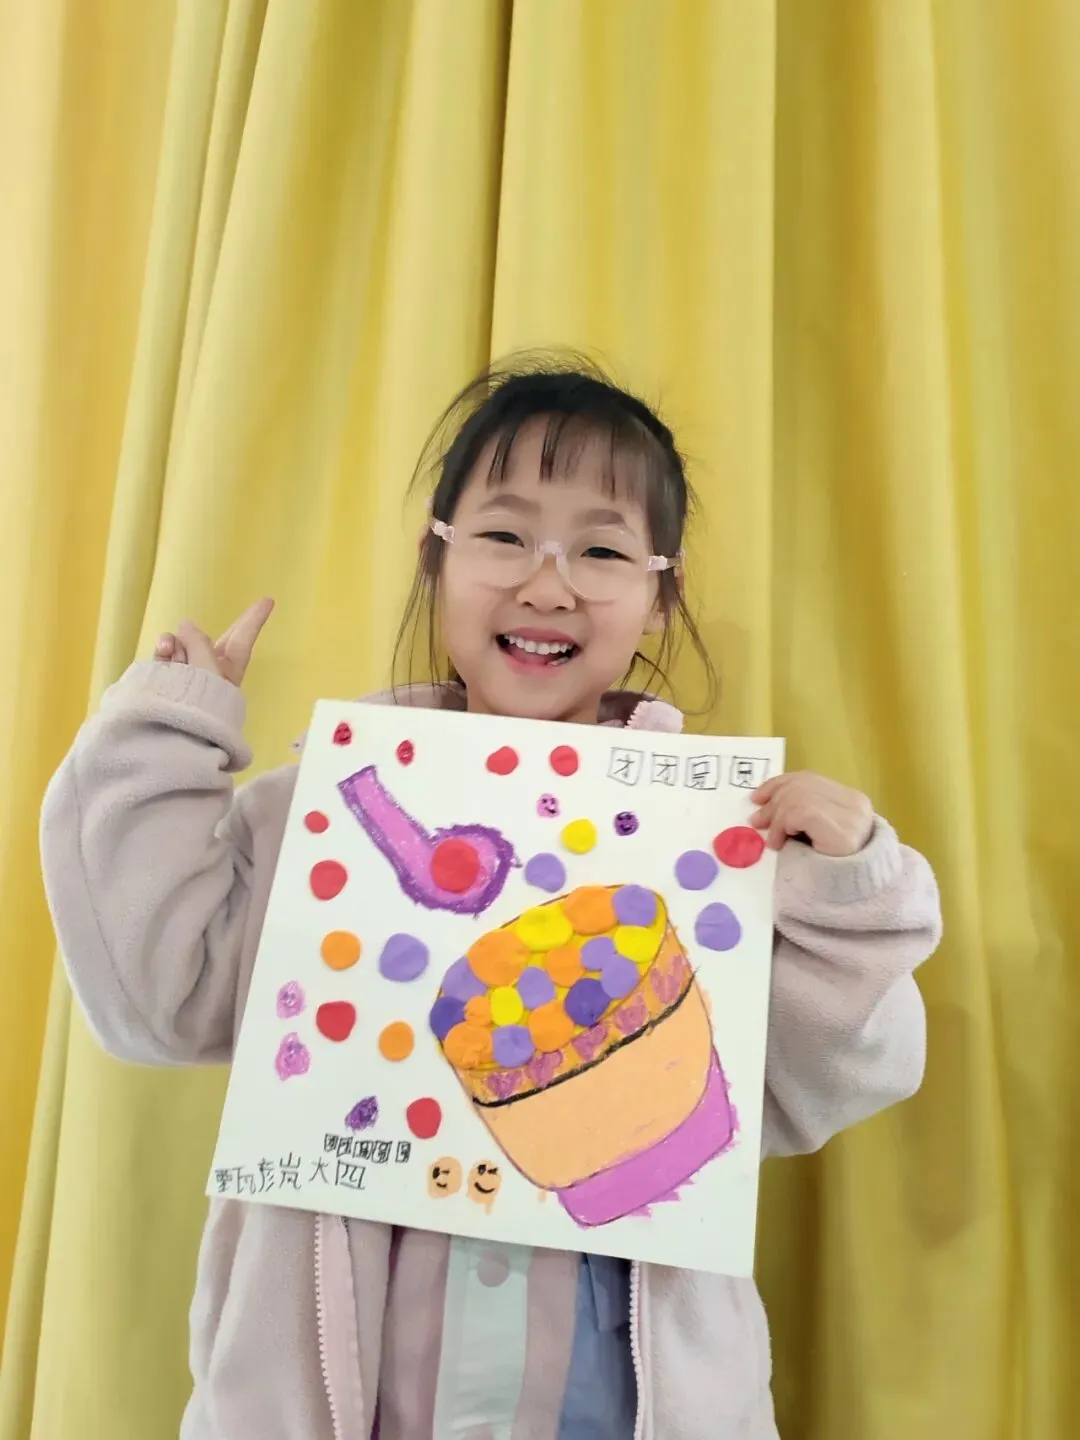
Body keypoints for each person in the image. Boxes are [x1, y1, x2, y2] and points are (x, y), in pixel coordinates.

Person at [41, 360, 942, 1439]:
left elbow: (836, 1075)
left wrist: (846, 889)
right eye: (505, 536)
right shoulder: (323, 819)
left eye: (601, 551)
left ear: (661, 596)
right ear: (437, 557)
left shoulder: (720, 843)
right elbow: (156, 999)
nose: (548, 586)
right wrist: (162, 732)